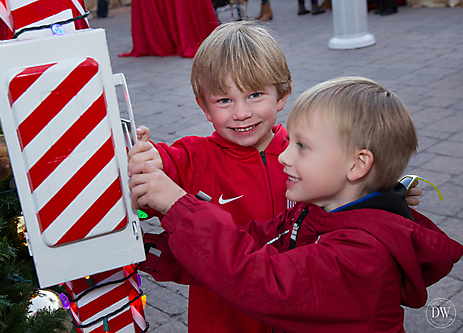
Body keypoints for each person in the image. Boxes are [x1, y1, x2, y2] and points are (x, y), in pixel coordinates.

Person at [128, 77, 463, 332]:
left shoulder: (361, 252)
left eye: (302, 146)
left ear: (357, 165)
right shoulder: (317, 213)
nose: (285, 155)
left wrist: (178, 206)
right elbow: (253, 242)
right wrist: (154, 249)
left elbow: (261, 279)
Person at [128, 20, 292, 333]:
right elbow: (159, 174)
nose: (241, 113)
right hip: (224, 321)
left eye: (255, 94)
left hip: (294, 313)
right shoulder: (193, 157)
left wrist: (381, 194)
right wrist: (145, 160)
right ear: (203, 106)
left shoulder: (303, 155)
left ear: (282, 94)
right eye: (224, 100)